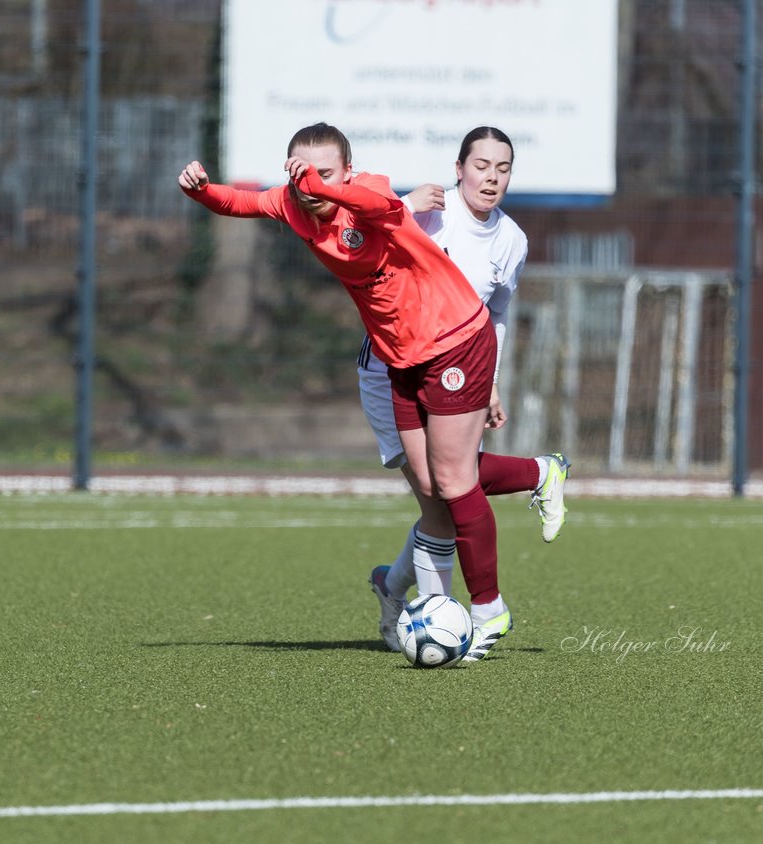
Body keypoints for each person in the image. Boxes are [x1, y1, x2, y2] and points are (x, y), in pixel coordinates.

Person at [178, 122, 516, 663]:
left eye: (325, 171)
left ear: (347, 172)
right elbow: (238, 202)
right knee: (432, 487)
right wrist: (200, 190)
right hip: (401, 356)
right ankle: (532, 481)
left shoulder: (370, 194)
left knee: (455, 479)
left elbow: (361, 199)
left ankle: (488, 608)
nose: (308, 181)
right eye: (298, 170)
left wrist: (323, 186)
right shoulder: (293, 202)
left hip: (455, 335)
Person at [361, 127, 569, 655]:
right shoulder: (431, 213)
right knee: (442, 492)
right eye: (481, 165)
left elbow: (496, 313)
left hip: (459, 367)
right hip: (391, 368)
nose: (491, 177)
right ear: (459, 169)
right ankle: (539, 473)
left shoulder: (512, 240)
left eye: (502, 168)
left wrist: (491, 379)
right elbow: (366, 243)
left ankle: (436, 622)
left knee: (446, 492)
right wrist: (401, 207)